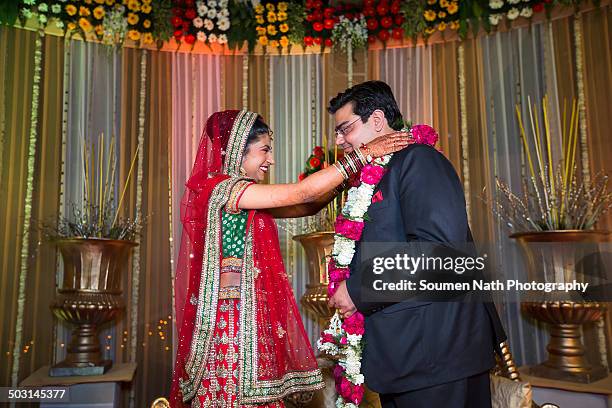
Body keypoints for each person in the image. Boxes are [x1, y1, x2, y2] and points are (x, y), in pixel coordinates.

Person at [169, 109, 411, 407]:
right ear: (236, 150)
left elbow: (303, 206)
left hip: (251, 318)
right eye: (264, 150)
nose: (270, 160)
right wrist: (364, 154)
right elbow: (301, 192)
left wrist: (349, 182)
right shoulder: (223, 188)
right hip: (230, 325)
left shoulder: (246, 194)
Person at [327, 81, 507, 408]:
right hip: (405, 357)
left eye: (345, 129)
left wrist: (356, 291)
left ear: (378, 120)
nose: (339, 141)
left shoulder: (418, 161)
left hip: (437, 354)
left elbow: (438, 250)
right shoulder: (376, 174)